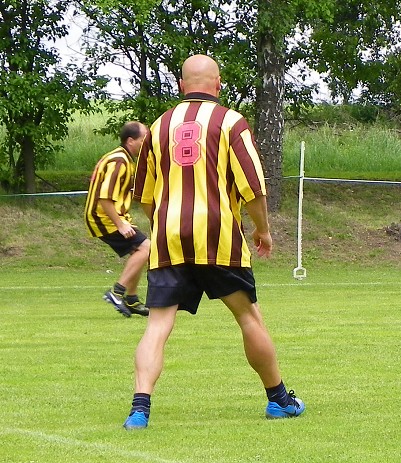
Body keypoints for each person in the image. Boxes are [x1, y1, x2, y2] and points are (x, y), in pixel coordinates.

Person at [122, 54, 304, 429]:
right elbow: (252, 186)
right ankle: (279, 399)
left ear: (180, 85)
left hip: (169, 238)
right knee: (248, 317)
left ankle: (140, 409)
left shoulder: (157, 127)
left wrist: (164, 223)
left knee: (157, 325)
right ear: (218, 84)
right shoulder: (231, 122)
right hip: (218, 236)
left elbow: (144, 195)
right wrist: (263, 230)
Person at [84, 121, 151, 318]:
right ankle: (117, 293)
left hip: (110, 216)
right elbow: (105, 197)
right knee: (146, 248)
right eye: (143, 139)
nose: (146, 143)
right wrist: (120, 224)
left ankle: (131, 300)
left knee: (139, 251)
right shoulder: (119, 161)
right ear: (131, 140)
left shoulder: (121, 158)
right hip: (103, 217)